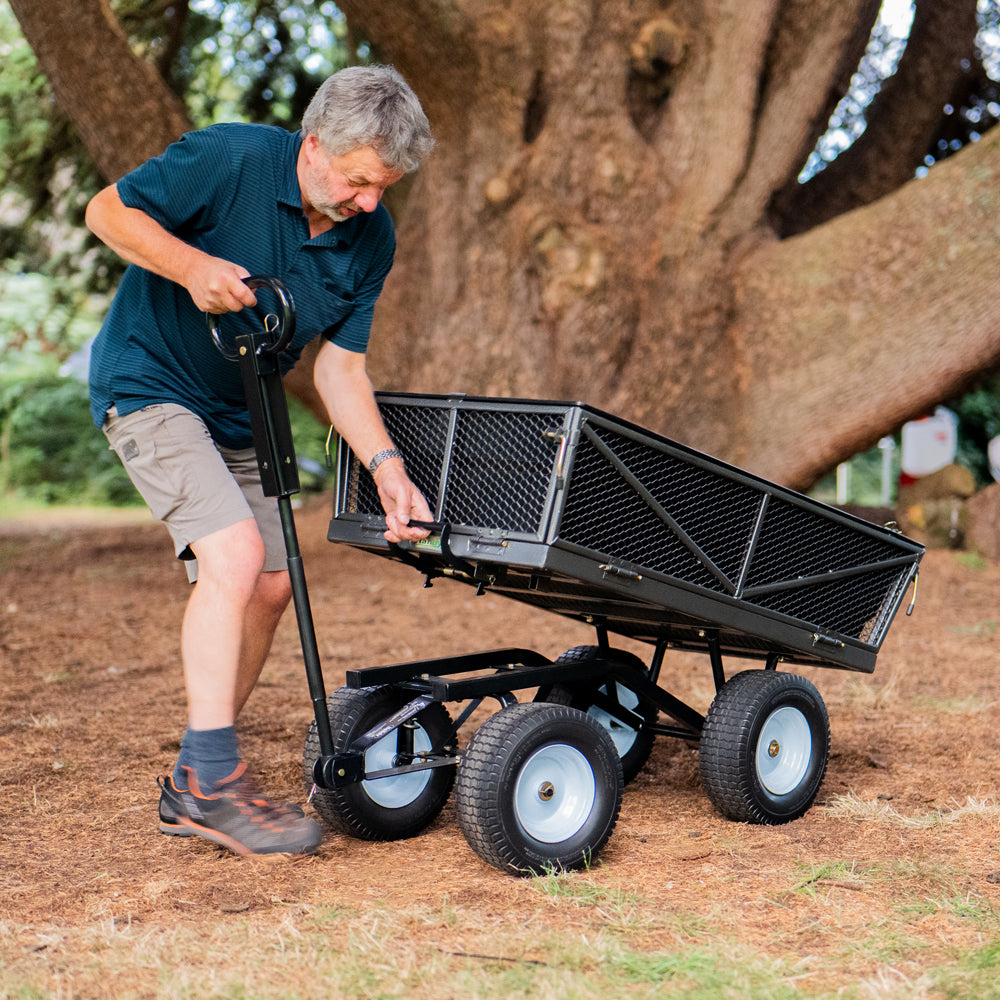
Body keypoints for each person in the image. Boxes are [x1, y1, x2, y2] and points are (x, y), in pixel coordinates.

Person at [85, 65, 434, 856]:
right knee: (233, 555)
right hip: (150, 383)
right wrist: (191, 267)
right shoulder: (232, 159)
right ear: (314, 146)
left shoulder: (370, 236)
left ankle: (193, 775)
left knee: (273, 584)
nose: (370, 202)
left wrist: (384, 465)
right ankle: (214, 781)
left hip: (247, 407)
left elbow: (338, 369)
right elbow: (105, 210)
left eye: (385, 186)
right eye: (358, 181)